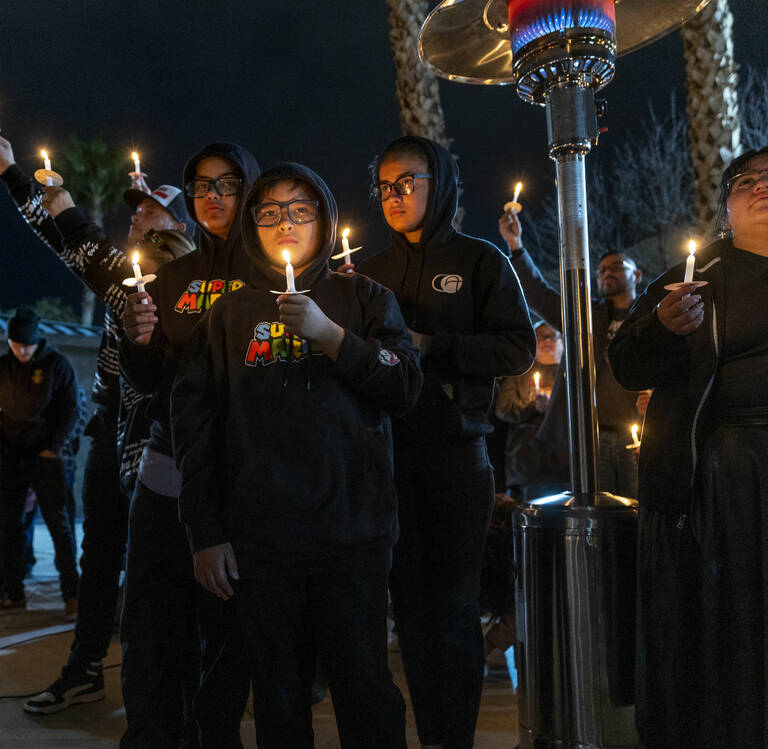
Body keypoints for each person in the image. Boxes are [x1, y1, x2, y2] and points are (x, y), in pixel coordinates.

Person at [608, 145, 768, 748]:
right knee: (737, 634)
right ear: (725, 211)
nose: (763, 185)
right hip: (728, 481)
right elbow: (626, 364)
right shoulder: (692, 278)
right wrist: (664, 329)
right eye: (745, 181)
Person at [174, 162, 420, 746]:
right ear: (252, 227)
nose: (286, 222)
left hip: (351, 537)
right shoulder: (226, 316)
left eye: (300, 210)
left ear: (324, 220)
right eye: (270, 212)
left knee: (365, 689)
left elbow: (404, 384)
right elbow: (196, 428)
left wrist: (332, 337)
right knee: (278, 697)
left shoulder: (363, 297)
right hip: (261, 544)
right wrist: (203, 531)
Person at [359, 136, 535, 749]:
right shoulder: (368, 273)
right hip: (388, 458)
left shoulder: (481, 260)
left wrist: (435, 345)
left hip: (459, 456)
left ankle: (453, 735)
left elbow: (518, 346)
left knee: (453, 608)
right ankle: (429, 732)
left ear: (440, 183)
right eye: (384, 186)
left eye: (407, 181)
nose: (394, 196)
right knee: (408, 607)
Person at [120, 142, 260, 747]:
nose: (213, 196)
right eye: (202, 185)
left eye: (228, 184)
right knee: (151, 631)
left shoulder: (272, 275)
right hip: (165, 480)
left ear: (251, 192)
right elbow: (151, 381)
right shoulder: (171, 278)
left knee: (227, 639)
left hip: (239, 486)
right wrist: (137, 340)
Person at [25, 228, 194, 714]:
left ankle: (179, 691)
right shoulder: (123, 288)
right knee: (99, 556)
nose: (137, 225)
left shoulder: (188, 291)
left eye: (151, 216)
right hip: (111, 432)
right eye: (135, 216)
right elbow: (76, 248)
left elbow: (72, 240)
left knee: (160, 571)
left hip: (163, 445)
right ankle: (87, 668)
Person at [499, 212, 644, 497]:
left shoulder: (650, 314)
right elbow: (540, 295)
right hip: (594, 438)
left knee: (639, 511)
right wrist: (516, 246)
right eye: (601, 270)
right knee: (599, 513)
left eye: (616, 266)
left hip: (639, 437)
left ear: (637, 275)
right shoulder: (587, 316)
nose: (607, 273)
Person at [0, 308, 80, 621]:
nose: (21, 352)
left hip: (45, 455)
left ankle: (72, 595)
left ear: (37, 342)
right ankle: (13, 593)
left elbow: (72, 409)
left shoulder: (56, 364)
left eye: (26, 346)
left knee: (57, 524)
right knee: (9, 525)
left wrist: (54, 448)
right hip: (11, 452)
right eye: (15, 345)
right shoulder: (2, 367)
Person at [495, 322, 568, 500]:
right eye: (541, 335)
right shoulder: (521, 372)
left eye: (553, 335)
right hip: (529, 463)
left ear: (563, 341)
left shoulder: (569, 374)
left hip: (565, 465)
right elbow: (503, 408)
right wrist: (530, 406)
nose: (547, 340)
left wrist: (554, 407)